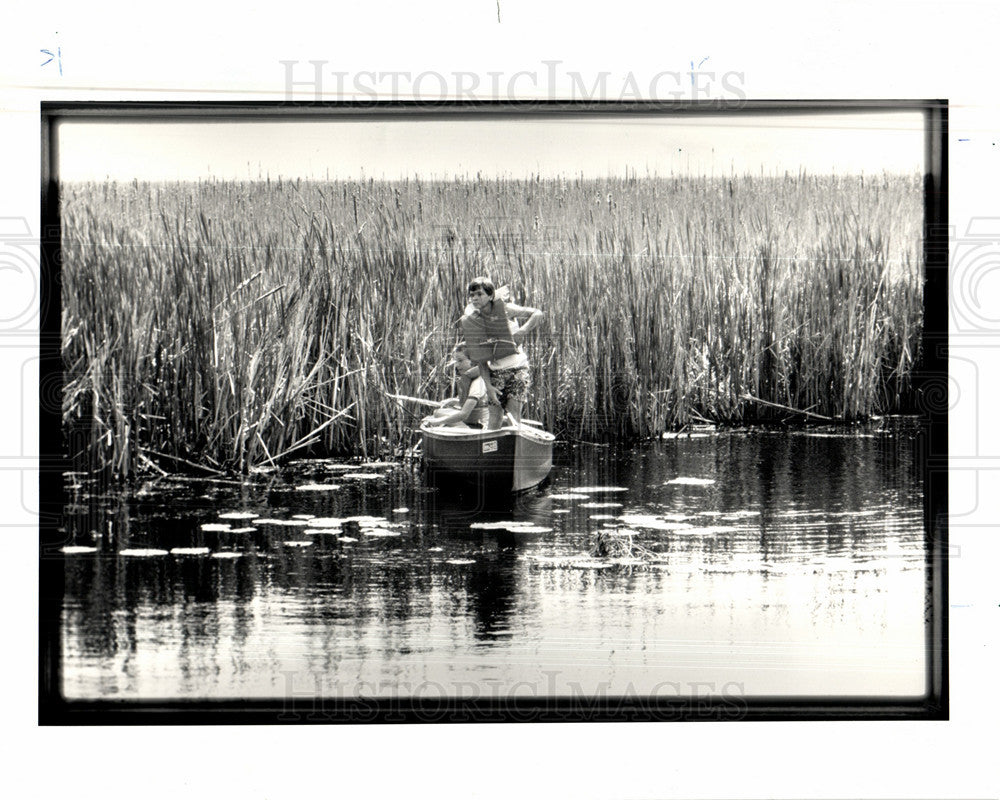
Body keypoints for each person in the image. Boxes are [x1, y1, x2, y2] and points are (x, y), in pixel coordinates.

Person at [460, 276, 544, 429]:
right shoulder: (474, 320)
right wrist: (488, 386)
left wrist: (522, 331)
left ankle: (515, 447)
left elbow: (537, 313)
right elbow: (481, 359)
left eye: (479, 294)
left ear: (490, 295)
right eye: (472, 295)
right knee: (495, 416)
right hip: (495, 372)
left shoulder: (506, 309)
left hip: (518, 368)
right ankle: (492, 449)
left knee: (513, 414)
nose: (475, 298)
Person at [423, 344, 490, 428]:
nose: (457, 365)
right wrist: (454, 401)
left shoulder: (478, 383)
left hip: (478, 425)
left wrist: (437, 422)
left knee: (439, 417)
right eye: (456, 361)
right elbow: (476, 405)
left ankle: (466, 430)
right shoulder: (472, 378)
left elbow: (464, 414)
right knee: (438, 412)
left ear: (473, 361)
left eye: (460, 361)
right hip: (471, 420)